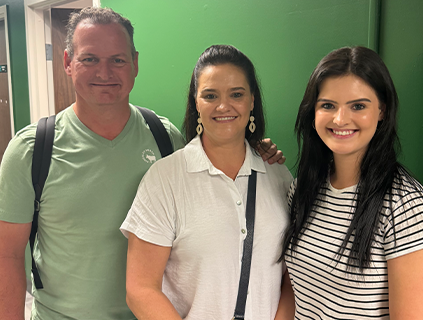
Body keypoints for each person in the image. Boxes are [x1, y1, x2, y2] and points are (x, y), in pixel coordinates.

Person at [0, 7, 284, 320]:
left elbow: (212, 159)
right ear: (68, 62)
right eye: (90, 58)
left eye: (118, 60)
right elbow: (7, 256)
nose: (104, 72)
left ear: (134, 63)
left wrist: (258, 151)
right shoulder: (31, 150)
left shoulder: (165, 138)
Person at [120, 45, 293, 319]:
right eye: (210, 95)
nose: (224, 106)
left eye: (236, 94)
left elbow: (291, 275)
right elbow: (140, 289)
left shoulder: (278, 175)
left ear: (252, 101)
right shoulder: (165, 179)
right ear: (196, 103)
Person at [282, 46, 423, 319]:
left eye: (358, 106)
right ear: (313, 113)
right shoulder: (304, 188)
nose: (341, 119)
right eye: (328, 105)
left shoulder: (407, 207)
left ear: (381, 111)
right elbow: (294, 291)